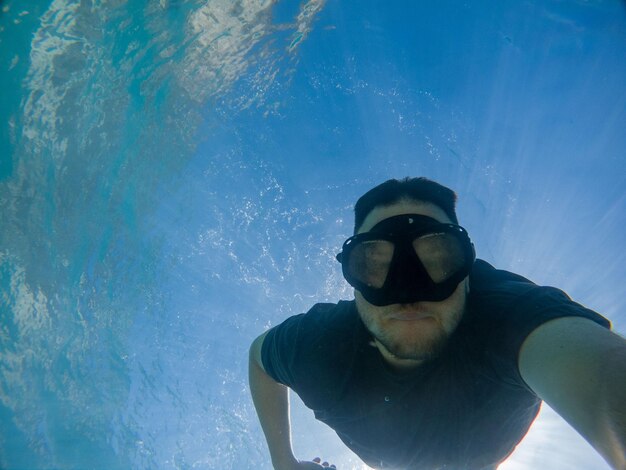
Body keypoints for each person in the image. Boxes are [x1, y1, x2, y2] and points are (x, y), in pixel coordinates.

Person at [249, 177, 626, 470]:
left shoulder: (509, 316)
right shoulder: (321, 344)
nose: (407, 291)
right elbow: (260, 359)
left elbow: (601, 374)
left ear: (466, 269)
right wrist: (283, 461)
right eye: (374, 265)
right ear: (353, 275)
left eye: (438, 258)